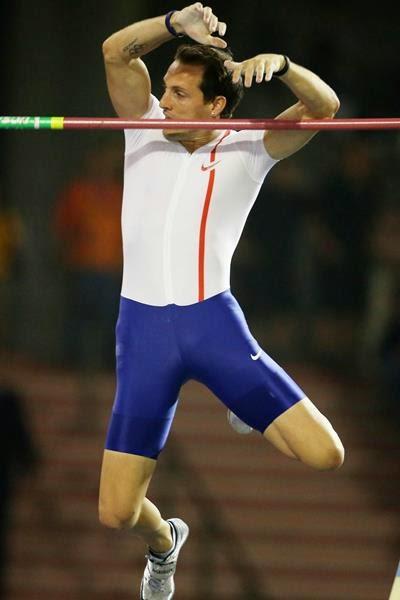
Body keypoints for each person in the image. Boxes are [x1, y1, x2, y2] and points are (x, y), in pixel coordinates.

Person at [100, 4, 345, 598]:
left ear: (215, 106)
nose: (165, 99)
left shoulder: (250, 148)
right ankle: (166, 544)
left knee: (326, 455)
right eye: (165, 88)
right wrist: (172, 24)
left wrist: (283, 66)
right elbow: (115, 51)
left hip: (214, 327)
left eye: (180, 93)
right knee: (117, 514)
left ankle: (242, 402)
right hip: (145, 334)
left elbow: (324, 108)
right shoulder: (142, 126)